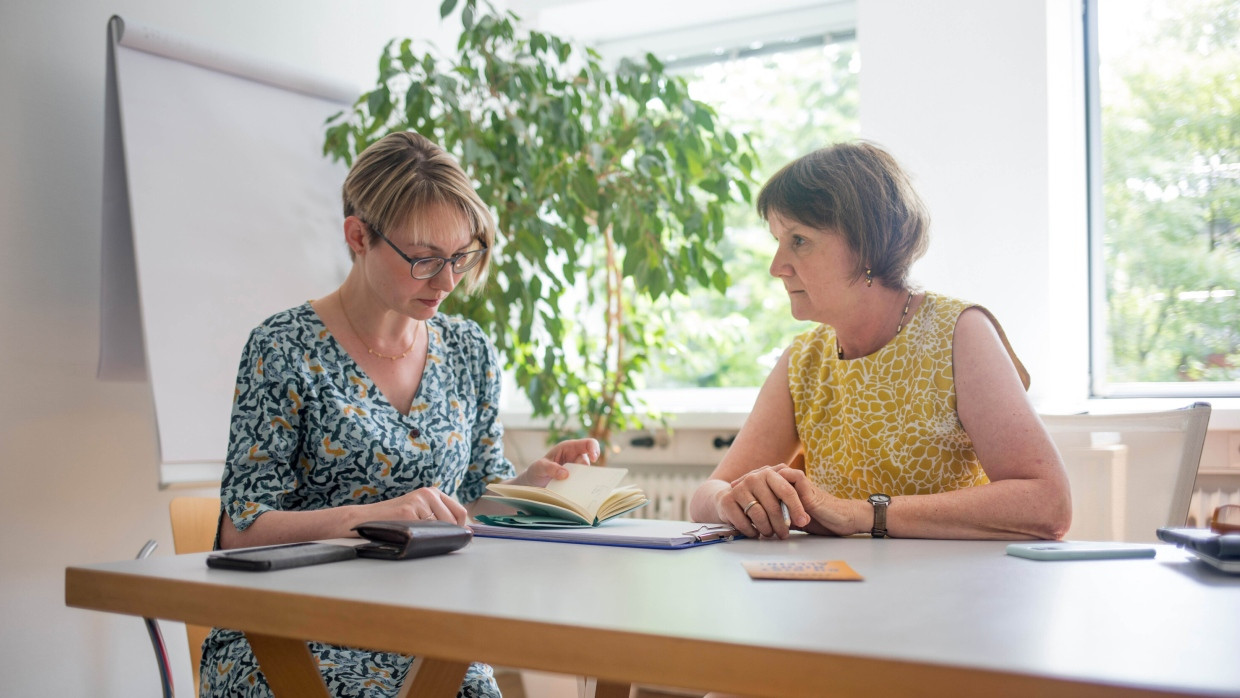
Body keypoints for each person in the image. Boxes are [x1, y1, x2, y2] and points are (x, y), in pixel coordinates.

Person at [199, 131, 598, 698]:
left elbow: (474, 499)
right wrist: (371, 517)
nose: (447, 281)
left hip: (429, 628)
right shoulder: (284, 346)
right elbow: (241, 532)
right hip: (289, 633)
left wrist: (531, 486)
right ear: (358, 235)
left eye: (461, 256)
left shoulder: (468, 350)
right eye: (424, 260)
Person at [688, 141, 1072, 542]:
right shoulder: (803, 360)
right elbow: (707, 494)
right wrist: (730, 502)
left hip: (954, 593)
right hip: (842, 592)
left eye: (798, 240)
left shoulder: (960, 333)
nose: (776, 266)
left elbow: (1048, 504)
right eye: (777, 241)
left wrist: (859, 514)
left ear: (866, 243)